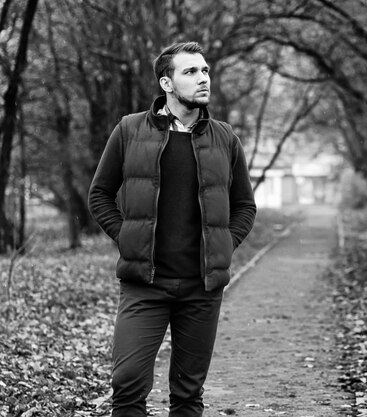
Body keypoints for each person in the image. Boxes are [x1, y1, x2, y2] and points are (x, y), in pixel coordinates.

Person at [88, 41, 256, 417]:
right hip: (144, 285)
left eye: (206, 71)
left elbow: (245, 205)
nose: (203, 79)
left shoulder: (225, 138)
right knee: (127, 384)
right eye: (191, 72)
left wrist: (225, 244)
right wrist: (128, 236)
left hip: (201, 287)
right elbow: (99, 195)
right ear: (166, 82)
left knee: (187, 394)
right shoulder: (130, 130)